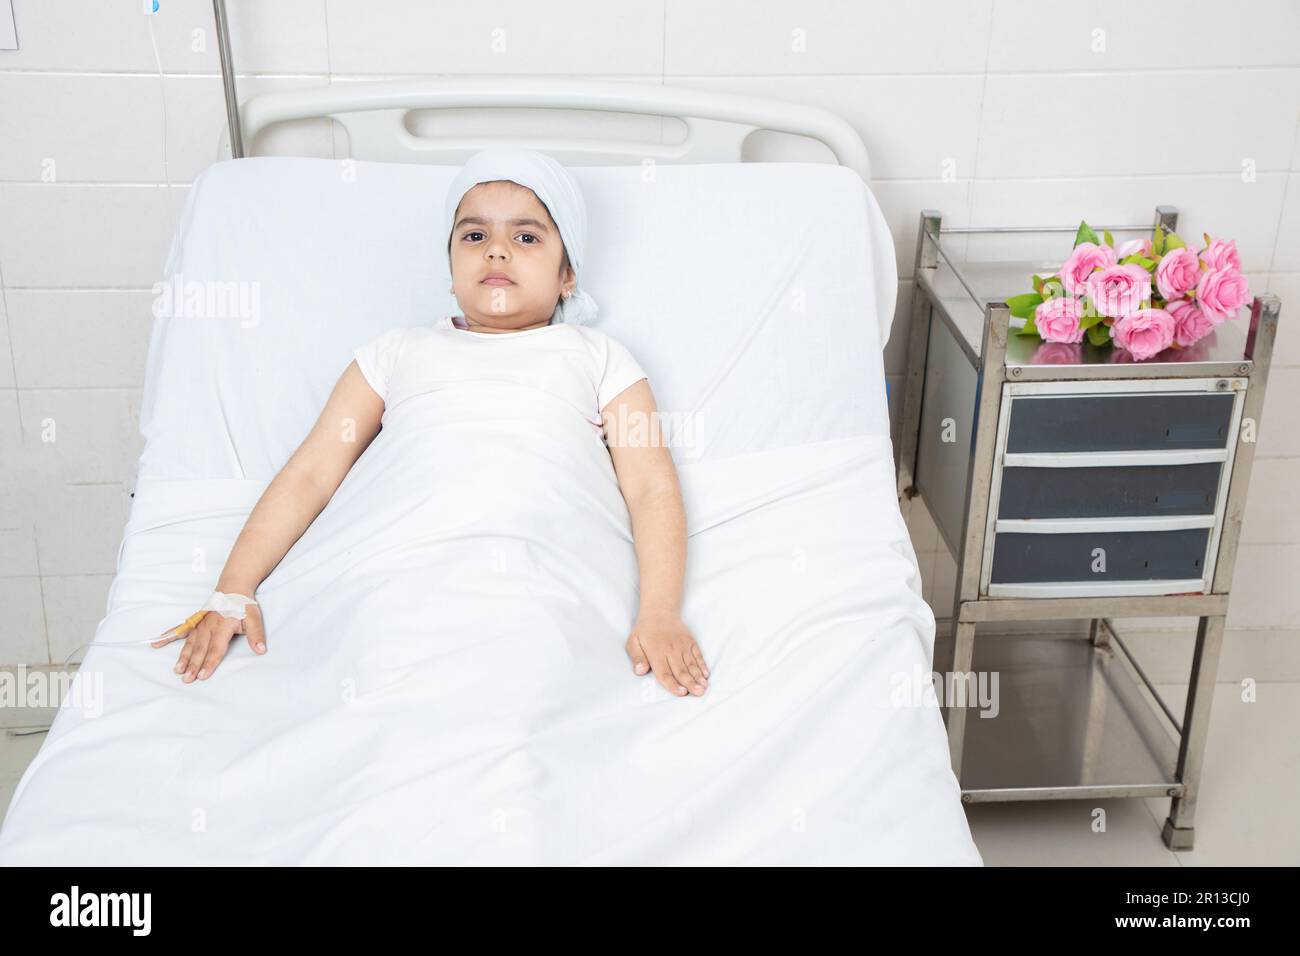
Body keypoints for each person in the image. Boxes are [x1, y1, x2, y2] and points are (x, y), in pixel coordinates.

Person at [152, 146, 710, 699]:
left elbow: (650, 485)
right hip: (397, 560)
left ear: (568, 275)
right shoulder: (395, 353)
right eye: (474, 236)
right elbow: (312, 472)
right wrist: (233, 588)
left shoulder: (598, 356)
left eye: (526, 237)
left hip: (536, 563)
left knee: (524, 665)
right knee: (379, 656)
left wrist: (659, 612)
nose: (496, 252)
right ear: (449, 271)